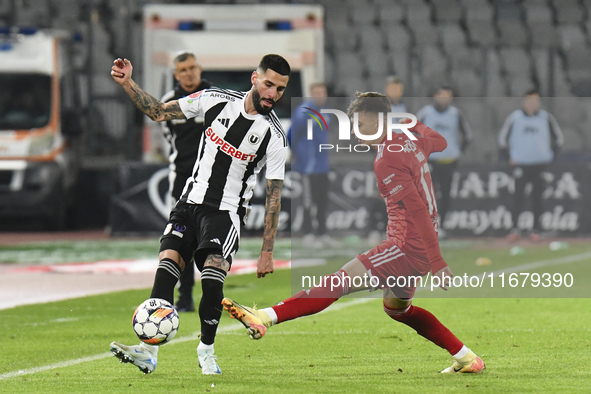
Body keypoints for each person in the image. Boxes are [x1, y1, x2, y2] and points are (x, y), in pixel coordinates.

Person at [222, 92, 485, 374]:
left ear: (377, 120)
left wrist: (437, 261)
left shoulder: (387, 160)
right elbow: (441, 141)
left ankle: (265, 316)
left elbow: (418, 210)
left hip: (407, 247)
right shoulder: (409, 140)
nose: (355, 133)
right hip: (416, 245)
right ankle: (468, 358)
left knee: (338, 282)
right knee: (397, 309)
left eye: (359, 124)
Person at [108, 54, 291, 375]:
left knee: (211, 281)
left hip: (225, 213)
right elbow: (159, 112)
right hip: (188, 203)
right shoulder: (214, 100)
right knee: (166, 267)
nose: (272, 94)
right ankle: (148, 352)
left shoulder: (274, 137)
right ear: (254, 78)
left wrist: (267, 252)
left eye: (280, 89)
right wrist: (128, 83)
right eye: (268, 84)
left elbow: (274, 196)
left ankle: (206, 350)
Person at [161, 51, 213, 313]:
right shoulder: (168, 102)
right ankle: (184, 297)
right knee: (181, 240)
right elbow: (169, 141)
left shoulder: (215, 97)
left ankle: (211, 295)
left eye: (192, 68)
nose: (189, 73)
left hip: (214, 178)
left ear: (200, 69)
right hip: (182, 179)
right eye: (183, 69)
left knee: (209, 239)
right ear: (176, 75)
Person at [498, 89, 563, 242]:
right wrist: (509, 157)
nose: (532, 104)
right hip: (521, 164)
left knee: (537, 197)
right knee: (518, 196)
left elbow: (559, 139)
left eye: (535, 100)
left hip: (540, 165)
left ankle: (536, 230)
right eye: (529, 100)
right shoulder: (515, 118)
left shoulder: (546, 118)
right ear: (524, 101)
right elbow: (502, 139)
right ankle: (515, 229)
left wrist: (550, 155)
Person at [417, 86, 472, 235]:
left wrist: (459, 152)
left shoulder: (455, 114)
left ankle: (441, 225)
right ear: (435, 96)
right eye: (442, 95)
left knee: (446, 194)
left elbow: (467, 135)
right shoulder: (426, 113)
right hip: (430, 161)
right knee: (427, 194)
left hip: (449, 161)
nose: (445, 99)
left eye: (448, 95)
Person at [288, 82, 331, 246]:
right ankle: (308, 233)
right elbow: (292, 133)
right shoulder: (303, 112)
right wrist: (296, 153)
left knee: (322, 200)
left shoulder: (326, 113)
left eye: (323, 92)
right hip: (308, 165)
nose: (320, 96)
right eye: (317, 92)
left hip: (323, 165)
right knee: (308, 200)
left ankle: (322, 233)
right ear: (311, 94)